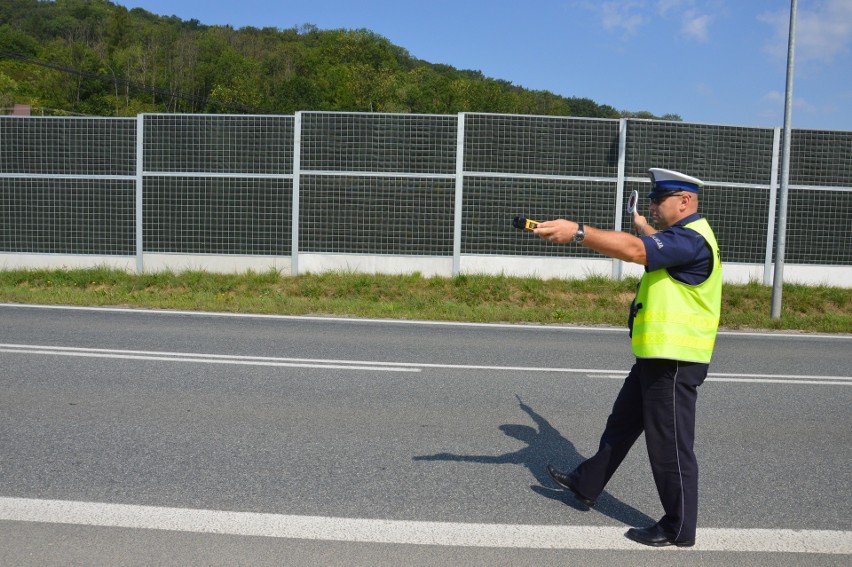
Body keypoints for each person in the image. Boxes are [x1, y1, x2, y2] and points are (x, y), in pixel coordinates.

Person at [533, 168, 722, 548]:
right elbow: (653, 245)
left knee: (669, 446)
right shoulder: (681, 239)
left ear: (685, 201)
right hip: (655, 357)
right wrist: (641, 225)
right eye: (650, 200)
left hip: (674, 361)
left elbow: (639, 252)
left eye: (658, 200)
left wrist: (579, 233)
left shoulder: (691, 239)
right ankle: (587, 484)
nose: (651, 206)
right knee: (620, 425)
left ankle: (678, 528)